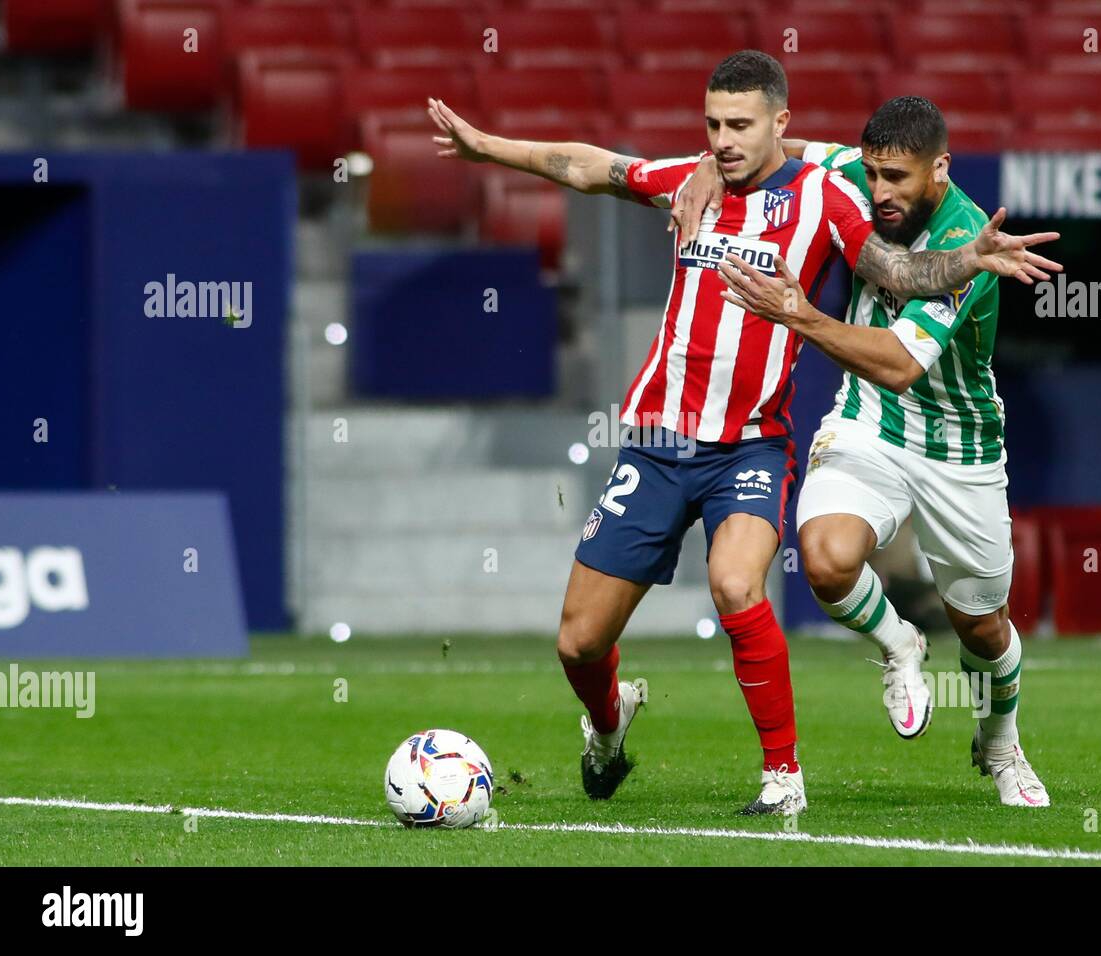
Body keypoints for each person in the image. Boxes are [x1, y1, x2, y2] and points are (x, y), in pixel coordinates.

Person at [429, 53, 1060, 814]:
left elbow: (895, 275)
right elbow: (592, 168)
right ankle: (608, 722)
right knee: (578, 643)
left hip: (759, 444)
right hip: (660, 440)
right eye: (713, 126)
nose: (724, 141)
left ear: (780, 126)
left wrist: (965, 260)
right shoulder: (701, 180)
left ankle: (789, 780)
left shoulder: (828, 196)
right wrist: (488, 147)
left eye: (739, 126)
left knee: (749, 587)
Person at [678, 96, 1051, 807]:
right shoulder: (850, 169)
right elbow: (770, 153)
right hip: (868, 422)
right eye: (873, 173)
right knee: (824, 557)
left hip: (958, 445)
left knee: (982, 626)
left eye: (898, 179)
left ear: (939, 169)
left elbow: (900, 364)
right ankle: (900, 644)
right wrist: (707, 166)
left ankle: (1002, 744)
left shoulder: (969, 239)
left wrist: (804, 316)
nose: (880, 193)